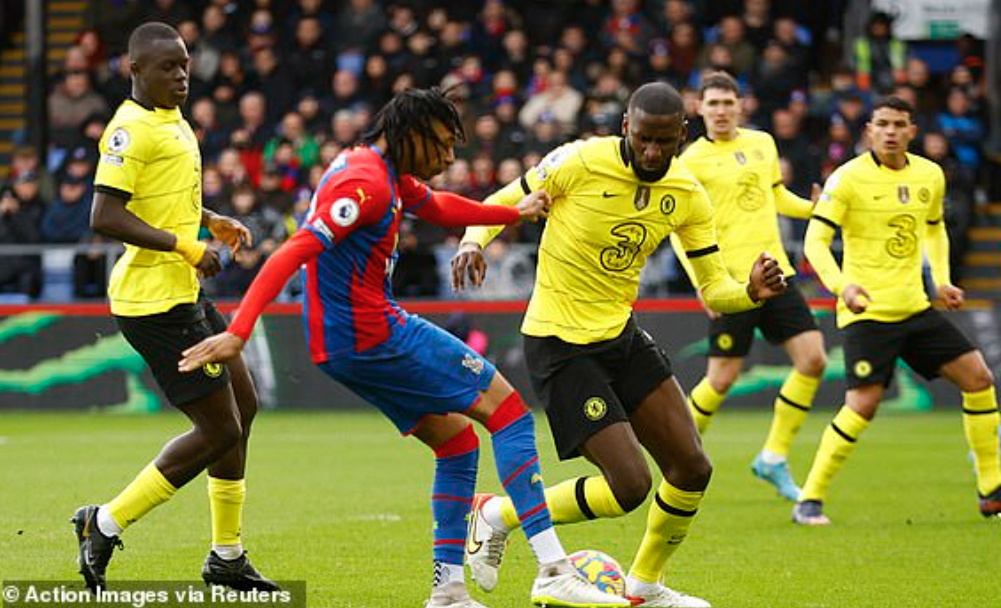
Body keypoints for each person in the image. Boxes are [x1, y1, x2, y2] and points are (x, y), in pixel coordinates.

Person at [177, 86, 630, 608]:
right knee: (510, 414)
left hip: (343, 345)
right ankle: (553, 568)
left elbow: (438, 207)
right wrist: (239, 331)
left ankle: (449, 591)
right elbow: (294, 250)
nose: (449, 157)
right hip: (374, 334)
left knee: (457, 443)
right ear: (409, 135)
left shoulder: (383, 172)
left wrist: (515, 213)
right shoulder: (365, 184)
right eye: (441, 143)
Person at [452, 81, 787, 608]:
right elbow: (503, 199)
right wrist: (473, 241)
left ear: (682, 135)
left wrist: (749, 292)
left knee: (692, 468)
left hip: (620, 335)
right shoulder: (580, 161)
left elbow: (712, 288)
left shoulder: (686, 194)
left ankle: (645, 586)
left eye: (664, 142)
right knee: (629, 486)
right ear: (626, 127)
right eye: (643, 139)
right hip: (559, 342)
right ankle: (495, 514)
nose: (652, 152)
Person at [72, 22, 276, 593]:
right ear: (134, 70)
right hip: (153, 304)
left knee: (243, 408)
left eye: (184, 65)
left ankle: (227, 558)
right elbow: (105, 215)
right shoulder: (128, 129)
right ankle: (103, 523)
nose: (181, 76)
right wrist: (187, 245)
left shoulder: (173, 118)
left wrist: (210, 219)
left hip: (182, 292)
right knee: (219, 429)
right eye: (168, 67)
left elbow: (159, 197)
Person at [794, 96, 1001, 525]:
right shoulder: (846, 178)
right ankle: (809, 498)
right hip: (867, 311)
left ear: (912, 131)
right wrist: (842, 286)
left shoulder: (930, 174)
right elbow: (815, 241)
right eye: (883, 124)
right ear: (869, 129)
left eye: (899, 124)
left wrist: (941, 280)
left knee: (979, 378)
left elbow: (934, 229)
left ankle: (991, 490)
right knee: (863, 404)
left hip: (915, 308)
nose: (890, 132)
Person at [674, 72, 825, 502]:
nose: (721, 111)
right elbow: (680, 230)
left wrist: (811, 208)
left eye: (728, 102)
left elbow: (776, 196)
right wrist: (702, 282)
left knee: (813, 360)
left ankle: (773, 457)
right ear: (699, 108)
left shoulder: (763, 143)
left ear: (741, 105)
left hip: (775, 272)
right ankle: (679, 455)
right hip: (730, 281)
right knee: (721, 378)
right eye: (713, 103)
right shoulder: (690, 161)